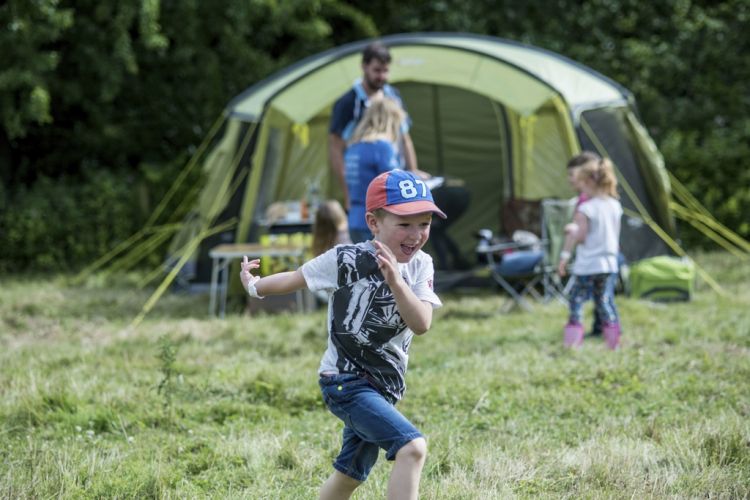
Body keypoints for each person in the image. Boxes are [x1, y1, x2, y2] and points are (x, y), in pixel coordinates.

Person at [240, 170, 447, 500]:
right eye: (404, 224)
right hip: (345, 382)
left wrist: (396, 281)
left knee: (349, 475)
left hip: (384, 388)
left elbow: (421, 323)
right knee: (412, 447)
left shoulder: (421, 265)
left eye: (424, 224)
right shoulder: (346, 259)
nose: (416, 234)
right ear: (374, 222)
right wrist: (253, 285)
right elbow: (296, 278)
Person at [329, 41, 421, 209]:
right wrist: (348, 192)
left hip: (392, 184)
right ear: (364, 67)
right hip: (364, 186)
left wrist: (413, 174)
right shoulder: (348, 103)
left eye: (386, 71)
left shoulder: (393, 96)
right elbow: (335, 148)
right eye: (377, 70)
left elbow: (405, 138)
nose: (382, 77)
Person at [558, 157, 623, 350]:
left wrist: (572, 229)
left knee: (576, 300)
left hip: (588, 265)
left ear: (587, 182)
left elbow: (582, 236)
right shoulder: (614, 205)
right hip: (609, 263)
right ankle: (613, 343)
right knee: (604, 301)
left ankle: (572, 343)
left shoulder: (586, 208)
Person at [344, 97, 405, 243]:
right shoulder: (382, 146)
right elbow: (395, 184)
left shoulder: (353, 147)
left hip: (354, 220)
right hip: (377, 222)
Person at [565, 151, 605, 336]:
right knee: (602, 296)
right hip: (601, 257)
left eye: (572, 175)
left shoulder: (588, 203)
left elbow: (583, 234)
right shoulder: (607, 199)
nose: (569, 180)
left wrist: (574, 231)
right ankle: (602, 329)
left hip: (593, 258)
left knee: (580, 296)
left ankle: (581, 332)